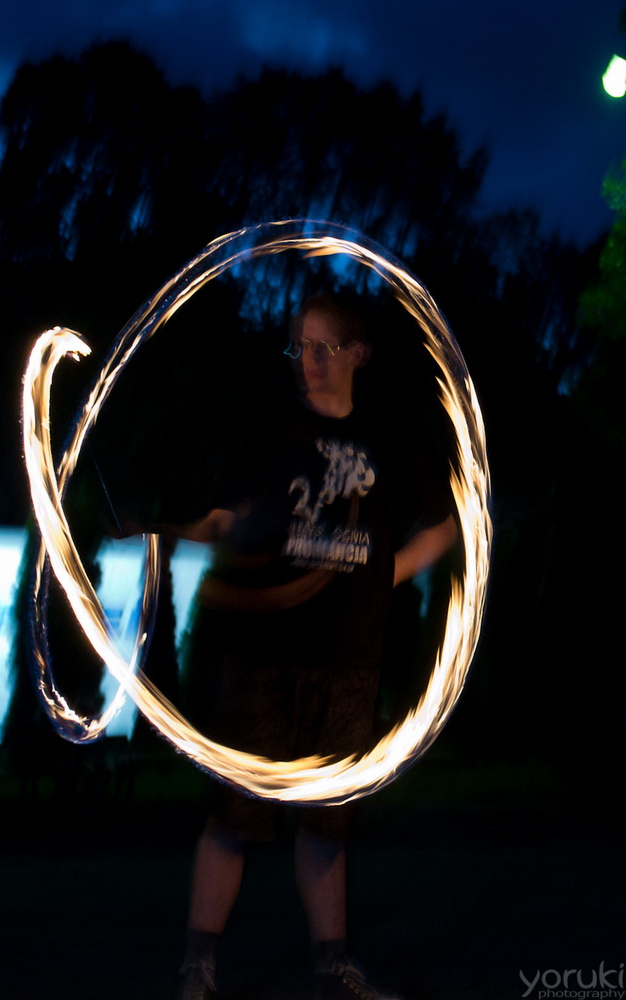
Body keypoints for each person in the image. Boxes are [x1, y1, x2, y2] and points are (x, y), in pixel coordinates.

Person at [173, 294, 458, 1000]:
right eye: (298, 347)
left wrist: (383, 574)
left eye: (322, 347)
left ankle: (333, 967)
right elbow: (224, 515)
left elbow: (445, 525)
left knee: (327, 826)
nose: (306, 361)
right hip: (262, 657)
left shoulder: (388, 440)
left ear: (358, 353)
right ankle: (198, 967)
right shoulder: (270, 433)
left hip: (346, 663)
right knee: (232, 818)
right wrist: (193, 530)